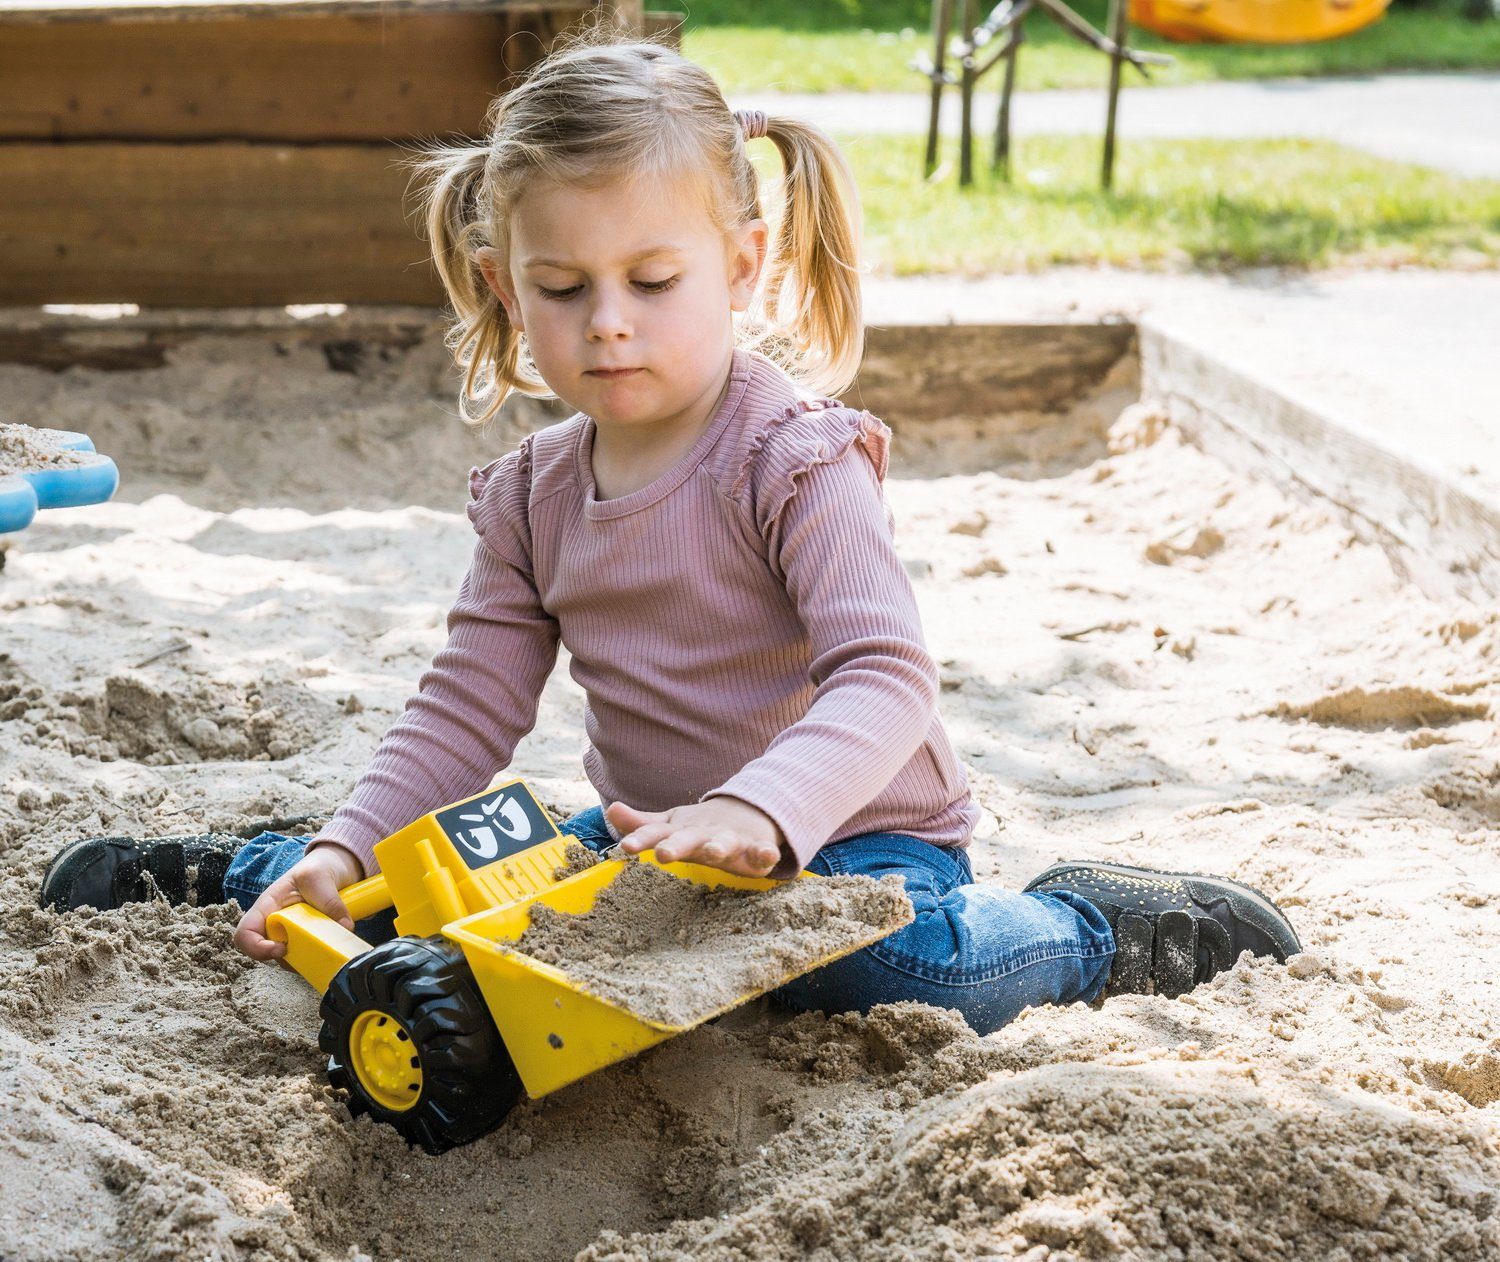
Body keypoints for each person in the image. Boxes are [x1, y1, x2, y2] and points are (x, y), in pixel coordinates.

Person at [39, 35, 1299, 1032]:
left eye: (654, 281)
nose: (609, 326)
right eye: (562, 288)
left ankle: (1094, 927)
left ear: (743, 263)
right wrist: (345, 843)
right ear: (501, 284)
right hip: (650, 839)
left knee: (874, 973)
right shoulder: (532, 491)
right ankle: (260, 868)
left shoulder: (793, 457)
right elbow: (466, 704)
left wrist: (762, 810)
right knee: (470, 895)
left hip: (855, 838)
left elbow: (887, 678)